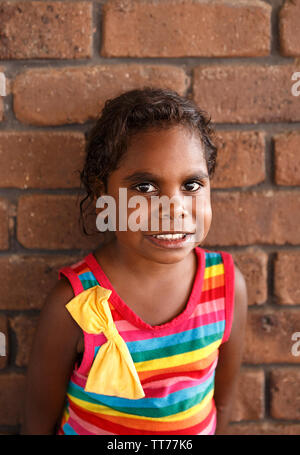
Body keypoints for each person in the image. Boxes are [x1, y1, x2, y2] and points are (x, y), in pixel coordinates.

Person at [22, 87, 248, 435]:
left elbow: (224, 403)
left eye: (191, 185)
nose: (173, 209)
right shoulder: (76, 304)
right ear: (103, 194)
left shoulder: (226, 286)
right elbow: (37, 423)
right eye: (144, 187)